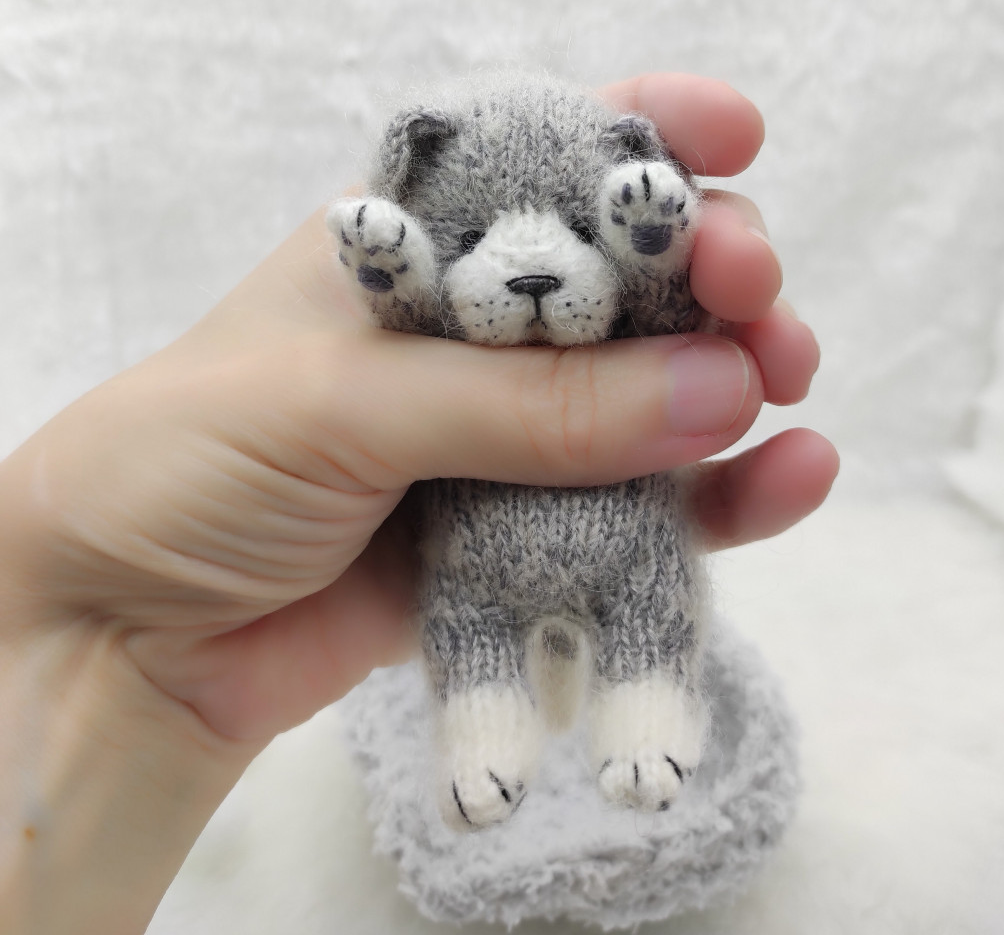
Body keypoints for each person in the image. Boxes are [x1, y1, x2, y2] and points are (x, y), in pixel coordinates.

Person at [0, 73, 837, 934]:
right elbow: (404, 328)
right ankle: (486, 734)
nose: (532, 269)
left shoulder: (632, 275)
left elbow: (664, 311)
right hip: (473, 569)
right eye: (471, 237)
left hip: (634, 552)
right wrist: (396, 277)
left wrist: (653, 248)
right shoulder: (430, 320)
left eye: (586, 232)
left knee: (651, 612)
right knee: (471, 638)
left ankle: (645, 710)